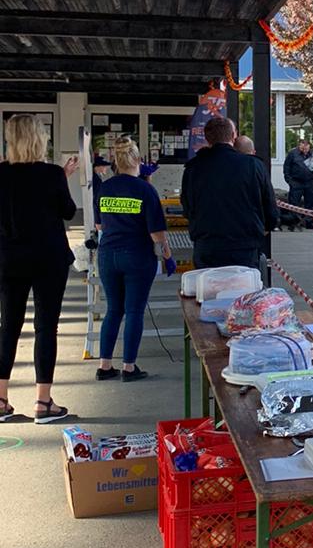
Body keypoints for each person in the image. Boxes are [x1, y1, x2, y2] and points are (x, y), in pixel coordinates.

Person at [0, 114, 79, 421]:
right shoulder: (51, 174)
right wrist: (63, 177)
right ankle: (43, 403)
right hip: (48, 259)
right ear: (39, 137)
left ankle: (2, 399)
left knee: (9, 326)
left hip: (9, 259)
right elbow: (68, 211)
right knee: (46, 327)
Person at [94, 138, 175, 382]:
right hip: (137, 256)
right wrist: (168, 257)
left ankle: (105, 365)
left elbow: (99, 224)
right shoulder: (145, 190)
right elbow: (157, 234)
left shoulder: (105, 187)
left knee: (113, 310)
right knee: (134, 311)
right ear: (138, 161)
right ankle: (129, 367)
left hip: (108, 255)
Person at [181, 116, 278, 269]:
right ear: (234, 136)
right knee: (245, 292)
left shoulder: (193, 169)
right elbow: (271, 210)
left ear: (207, 138)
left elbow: (187, 208)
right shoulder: (253, 165)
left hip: (207, 247)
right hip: (244, 248)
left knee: (208, 291)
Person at [283, 136, 313, 222]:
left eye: (307, 149)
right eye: (303, 148)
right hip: (296, 182)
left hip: (309, 182)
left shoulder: (312, 154)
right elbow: (286, 167)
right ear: (299, 146)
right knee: (294, 204)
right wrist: (289, 181)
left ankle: (308, 222)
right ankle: (294, 221)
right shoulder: (293, 154)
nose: (305, 150)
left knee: (310, 202)